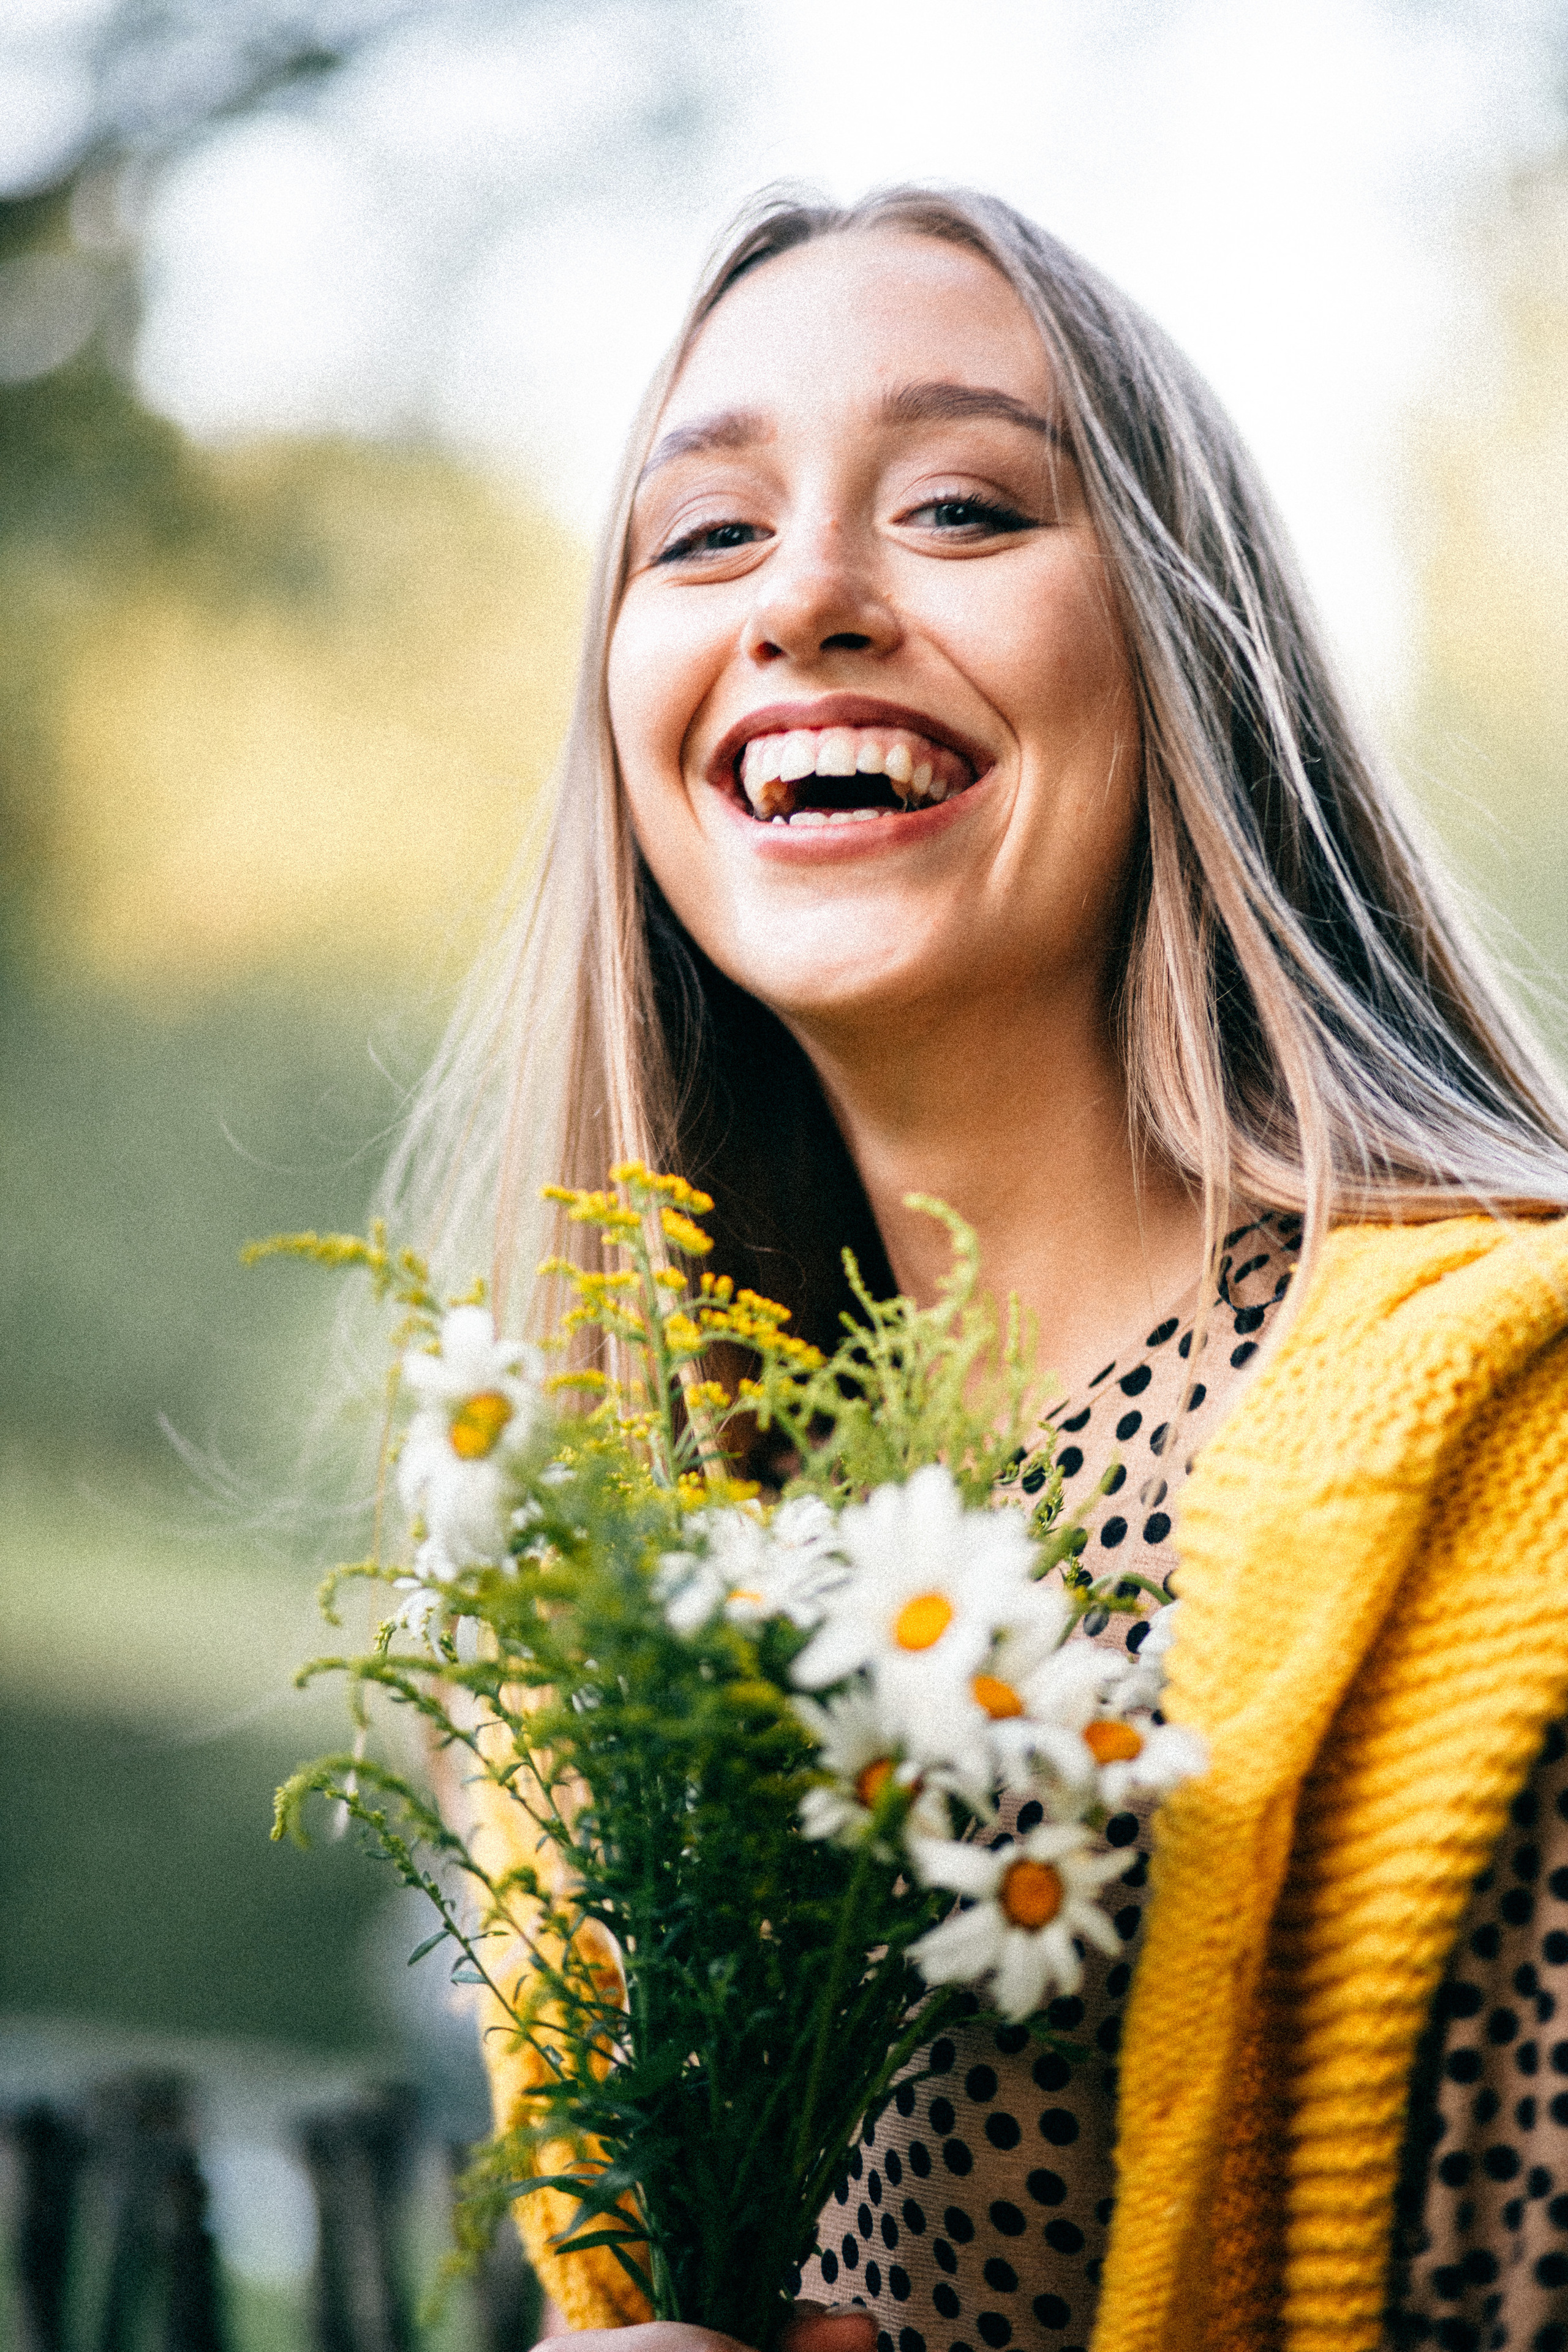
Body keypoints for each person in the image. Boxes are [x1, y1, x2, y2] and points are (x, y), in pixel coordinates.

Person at [383, 188, 1568, 2352]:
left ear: (1190, 653)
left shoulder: (1521, 1499)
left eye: (956, 505)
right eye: (706, 536)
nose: (810, 598)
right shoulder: (627, 1613)